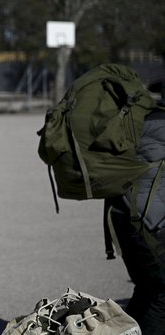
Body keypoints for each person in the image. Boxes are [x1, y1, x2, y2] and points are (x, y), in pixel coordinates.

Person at [109, 88, 165, 335]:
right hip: (148, 223)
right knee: (162, 295)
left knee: (147, 288)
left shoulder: (139, 119)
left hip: (122, 216)